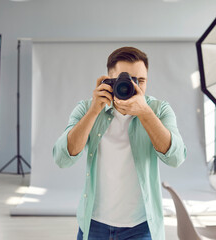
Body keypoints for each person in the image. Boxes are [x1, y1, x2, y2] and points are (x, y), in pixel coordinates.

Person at [53, 46, 186, 240]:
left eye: (140, 80)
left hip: (141, 226)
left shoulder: (159, 110)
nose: (134, 87)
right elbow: (62, 158)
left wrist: (145, 113)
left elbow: (176, 158)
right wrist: (93, 111)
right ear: (109, 80)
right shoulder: (86, 108)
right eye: (127, 80)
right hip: (94, 223)